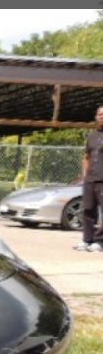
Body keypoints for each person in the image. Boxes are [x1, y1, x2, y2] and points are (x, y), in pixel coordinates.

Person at [75, 105, 103, 252]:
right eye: (99, 114)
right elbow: (86, 157)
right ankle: (87, 240)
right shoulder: (91, 136)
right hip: (90, 179)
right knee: (87, 210)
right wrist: (85, 175)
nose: (101, 117)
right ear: (96, 117)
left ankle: (99, 242)